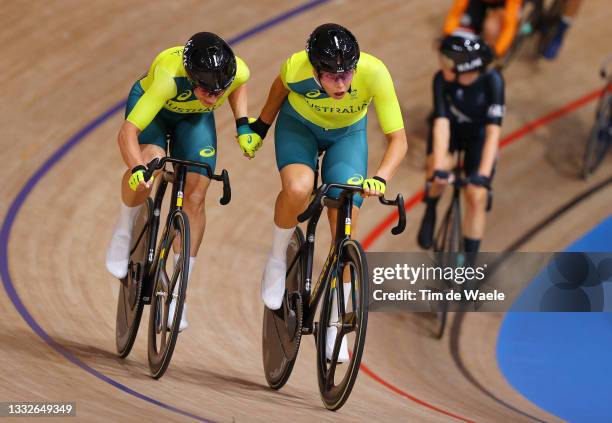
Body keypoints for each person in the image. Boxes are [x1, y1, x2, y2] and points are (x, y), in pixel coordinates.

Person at [252, 23, 407, 362]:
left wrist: (380, 177)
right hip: (300, 127)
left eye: (346, 74)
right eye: (332, 76)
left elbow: (399, 139)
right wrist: (261, 127)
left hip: (346, 137)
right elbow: (280, 88)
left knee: (345, 218)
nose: (342, 83)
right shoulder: (296, 68)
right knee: (299, 188)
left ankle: (336, 321)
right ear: (314, 69)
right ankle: (277, 258)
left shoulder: (374, 73)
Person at [105, 32, 263, 332]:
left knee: (197, 192)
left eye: (220, 91)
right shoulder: (168, 77)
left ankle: (181, 292)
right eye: (208, 91)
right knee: (150, 162)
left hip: (194, 120)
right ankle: (124, 229)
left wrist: (243, 124)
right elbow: (127, 133)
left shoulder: (236, 71)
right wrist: (137, 167)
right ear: (192, 79)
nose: (215, 98)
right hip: (155, 113)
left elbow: (239, 85)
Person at [417, 33, 504, 254]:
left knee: (476, 197)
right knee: (438, 170)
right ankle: (431, 207)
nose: (441, 65)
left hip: (479, 137)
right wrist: (437, 168)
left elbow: (494, 132)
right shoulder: (440, 79)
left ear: (464, 66)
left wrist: (482, 177)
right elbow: (441, 125)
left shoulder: (493, 81)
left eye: (446, 61)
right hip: (452, 132)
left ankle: (469, 265)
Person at [443, 0, 522, 59]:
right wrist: (448, 35)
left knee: (491, 29)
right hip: (479, 4)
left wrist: (496, 52)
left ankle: (485, 53)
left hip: (502, 6)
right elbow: (456, 11)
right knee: (463, 31)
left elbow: (510, 25)